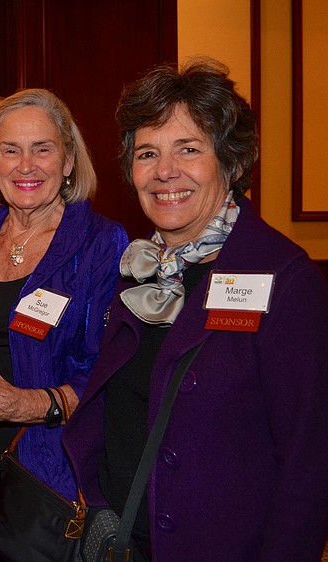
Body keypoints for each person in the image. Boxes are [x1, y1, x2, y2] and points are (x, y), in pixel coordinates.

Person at [64, 58, 328, 562]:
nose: (165, 172)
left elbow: (309, 463)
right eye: (147, 153)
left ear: (230, 161)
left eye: (189, 149)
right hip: (124, 545)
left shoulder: (284, 281)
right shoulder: (138, 270)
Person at [0, 89, 128, 560]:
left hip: (50, 480)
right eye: (11, 150)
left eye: (42, 149)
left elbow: (114, 376)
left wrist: (28, 403)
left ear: (67, 162)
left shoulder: (101, 245)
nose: (26, 165)